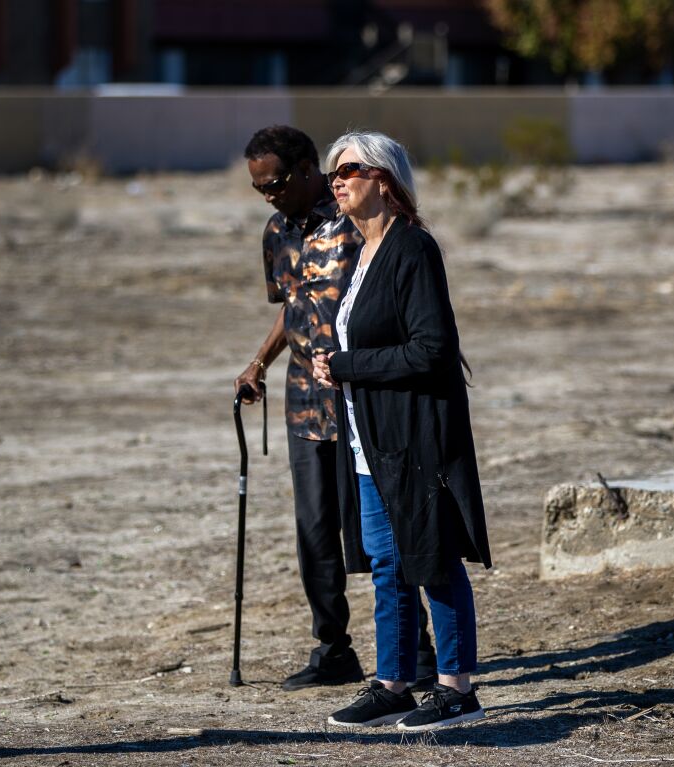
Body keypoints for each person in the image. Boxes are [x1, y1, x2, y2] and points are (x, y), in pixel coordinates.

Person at [235, 125, 436, 692]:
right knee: (315, 531)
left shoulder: (354, 220)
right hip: (305, 402)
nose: (267, 195)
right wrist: (258, 363)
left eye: (273, 182)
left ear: (305, 169)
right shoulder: (277, 232)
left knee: (381, 529)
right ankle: (333, 649)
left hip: (362, 397)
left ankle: (416, 650)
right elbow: (293, 307)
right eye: (257, 188)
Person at [312, 131, 492, 731]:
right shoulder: (359, 253)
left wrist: (346, 365)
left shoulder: (413, 249)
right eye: (332, 173)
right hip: (370, 439)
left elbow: (432, 350)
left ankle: (457, 688)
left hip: (413, 433)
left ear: (384, 178)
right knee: (388, 564)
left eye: (348, 170)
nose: (336, 181)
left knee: (431, 556)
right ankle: (393, 684)